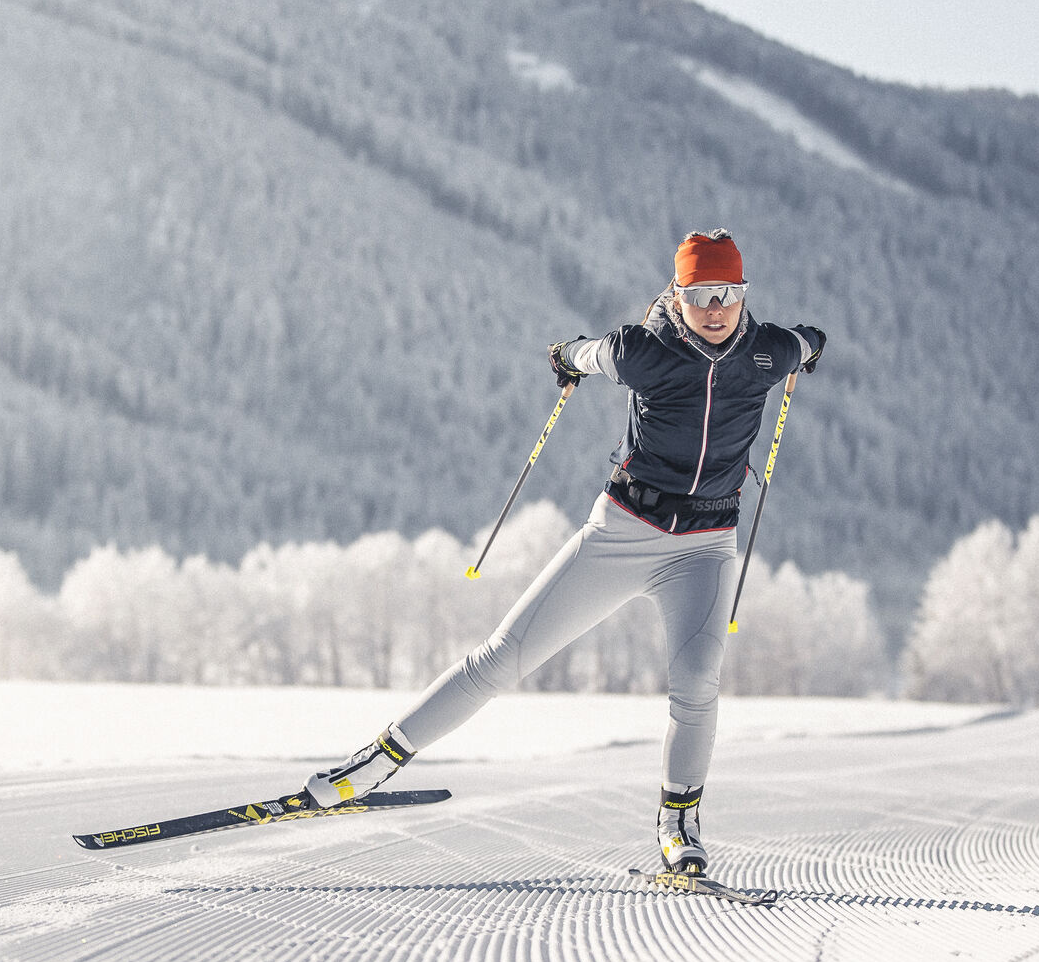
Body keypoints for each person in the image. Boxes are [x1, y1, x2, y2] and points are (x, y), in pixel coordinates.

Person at [302, 229, 824, 875]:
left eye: (728, 294)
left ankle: (678, 820)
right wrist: (566, 357)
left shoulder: (768, 353)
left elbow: (805, 343)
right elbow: (590, 354)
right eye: (699, 295)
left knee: (696, 684)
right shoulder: (645, 352)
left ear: (743, 294)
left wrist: (812, 347)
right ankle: (376, 762)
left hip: (706, 549)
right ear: (677, 295)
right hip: (625, 532)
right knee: (504, 655)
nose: (715, 309)